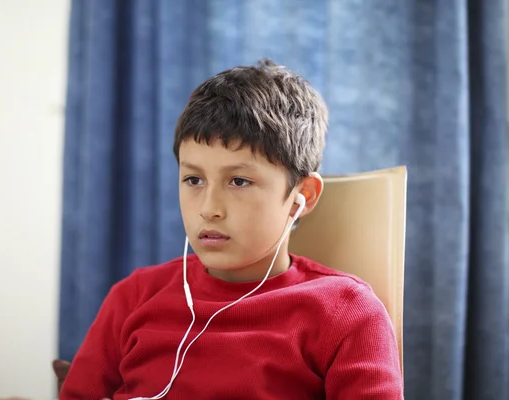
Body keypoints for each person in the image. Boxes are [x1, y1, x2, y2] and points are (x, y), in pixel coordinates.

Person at [60, 60, 403, 400]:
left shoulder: (346, 313)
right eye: (193, 180)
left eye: (239, 181)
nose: (209, 208)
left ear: (303, 196)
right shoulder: (133, 297)